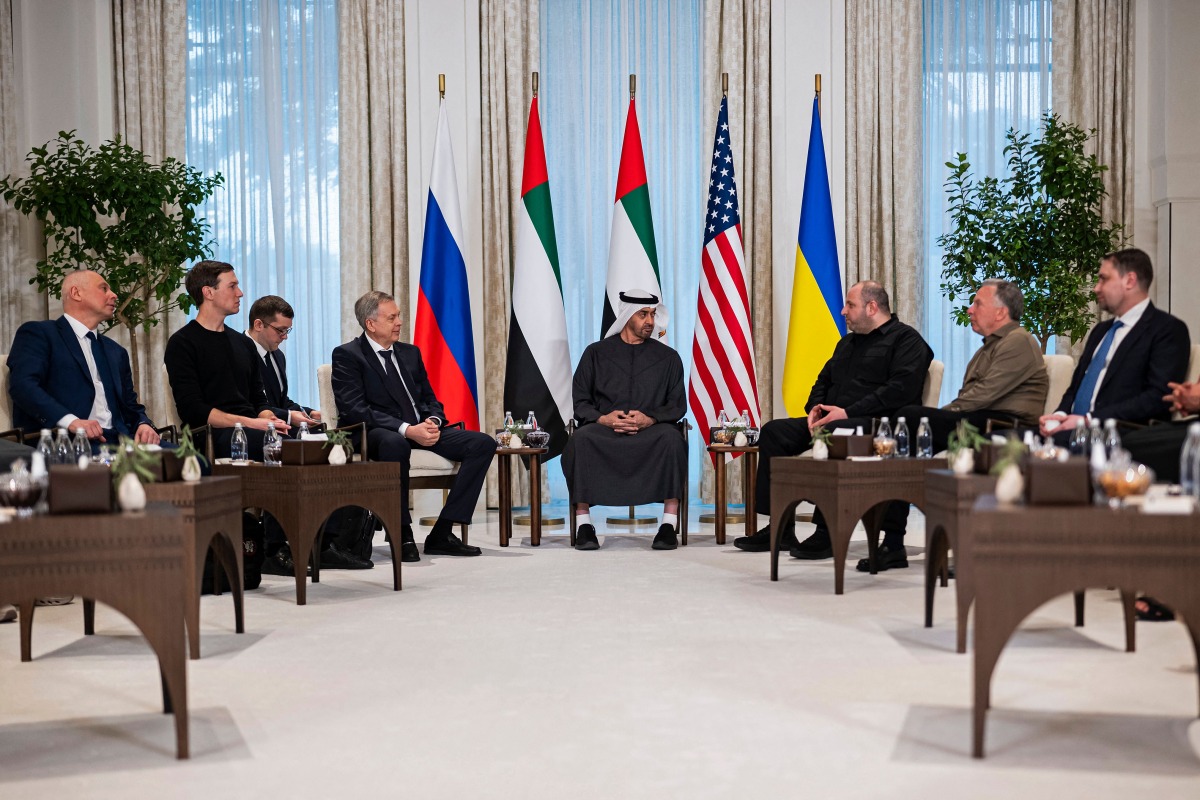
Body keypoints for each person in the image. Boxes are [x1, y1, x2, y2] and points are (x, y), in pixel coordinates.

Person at [165, 262, 371, 573]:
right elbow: (195, 411)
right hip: (211, 435)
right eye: (232, 286)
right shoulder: (183, 343)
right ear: (208, 292)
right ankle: (276, 549)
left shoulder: (241, 344)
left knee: (326, 445)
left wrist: (270, 419)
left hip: (253, 428)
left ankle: (325, 542)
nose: (240, 293)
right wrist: (254, 423)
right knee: (280, 447)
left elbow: (258, 400)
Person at [733, 281, 933, 562]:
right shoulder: (847, 342)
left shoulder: (907, 341)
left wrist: (846, 413)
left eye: (850, 305)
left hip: (877, 426)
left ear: (872, 307)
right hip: (831, 420)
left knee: (837, 431)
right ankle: (781, 525)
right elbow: (823, 380)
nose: (842, 311)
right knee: (775, 432)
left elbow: (899, 390)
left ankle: (826, 530)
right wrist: (815, 409)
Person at [869, 279, 1048, 572]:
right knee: (903, 436)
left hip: (1005, 427)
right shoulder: (985, 349)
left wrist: (939, 417)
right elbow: (970, 400)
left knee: (910, 420)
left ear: (1001, 312)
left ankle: (895, 541)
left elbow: (981, 396)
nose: (969, 309)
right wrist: (941, 418)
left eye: (978, 303)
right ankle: (893, 541)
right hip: (980, 421)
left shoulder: (1019, 340)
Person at [331, 291, 494, 562]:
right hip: (374, 432)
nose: (399, 322)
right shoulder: (348, 355)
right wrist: (407, 429)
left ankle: (443, 531)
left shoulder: (409, 353)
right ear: (370, 324)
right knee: (395, 443)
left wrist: (432, 421)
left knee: (482, 443)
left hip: (418, 428)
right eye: (391, 317)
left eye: (398, 316)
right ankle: (402, 532)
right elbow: (355, 409)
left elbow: (430, 399)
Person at [561, 290, 688, 551]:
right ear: (627, 316)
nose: (650, 321)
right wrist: (603, 418)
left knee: (673, 439)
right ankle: (584, 525)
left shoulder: (669, 358)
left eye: (652, 314)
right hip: (606, 430)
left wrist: (650, 419)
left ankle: (668, 525)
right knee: (581, 440)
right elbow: (581, 401)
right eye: (643, 315)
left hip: (652, 431)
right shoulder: (595, 353)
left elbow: (677, 405)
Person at [1039, 248, 1190, 442]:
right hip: (1073, 430)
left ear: (1129, 281)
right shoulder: (1101, 330)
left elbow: (1157, 397)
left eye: (1104, 279)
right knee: (999, 439)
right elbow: (1075, 388)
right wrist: (1059, 416)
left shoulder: (1167, 330)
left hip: (1119, 434)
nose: (1096, 288)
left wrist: (1088, 420)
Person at [8, 269, 159, 446]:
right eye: (104, 288)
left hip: (123, 441)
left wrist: (143, 423)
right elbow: (23, 386)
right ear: (76, 293)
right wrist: (71, 421)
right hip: (71, 443)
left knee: (192, 461)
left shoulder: (116, 351)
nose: (114, 295)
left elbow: (130, 405)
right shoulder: (39, 334)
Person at [245, 295, 321, 428]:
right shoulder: (237, 352)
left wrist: (310, 413)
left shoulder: (278, 355)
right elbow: (249, 405)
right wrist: (289, 416)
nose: (285, 336)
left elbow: (280, 401)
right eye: (281, 330)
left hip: (280, 428)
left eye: (287, 330)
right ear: (258, 325)